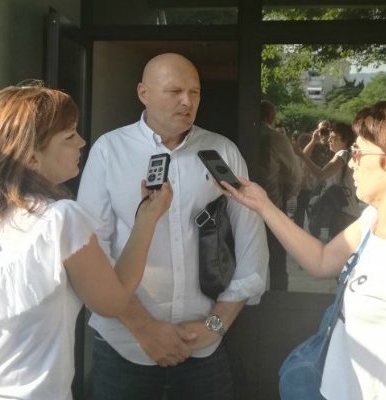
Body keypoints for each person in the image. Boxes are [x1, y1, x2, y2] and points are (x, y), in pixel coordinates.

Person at [222, 101, 386, 399]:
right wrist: (263, 205)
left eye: (359, 153)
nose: (351, 163)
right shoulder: (375, 219)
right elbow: (322, 260)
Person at [0, 83, 172, 399]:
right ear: (31, 157)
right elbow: (112, 302)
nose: (82, 142)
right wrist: (148, 219)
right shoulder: (60, 219)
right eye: (69, 136)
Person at [77, 53, 268, 400]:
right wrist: (144, 329)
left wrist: (215, 326)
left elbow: (251, 248)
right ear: (143, 93)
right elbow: (91, 252)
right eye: (174, 91)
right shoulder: (110, 150)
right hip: (124, 345)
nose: (187, 102)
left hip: (203, 345)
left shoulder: (222, 151)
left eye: (195, 92)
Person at [258, 100, 301, 290]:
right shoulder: (276, 138)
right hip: (272, 205)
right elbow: (295, 174)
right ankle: (279, 297)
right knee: (277, 261)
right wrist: (290, 195)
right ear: (271, 117)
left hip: (238, 208)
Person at [297, 121, 361, 238]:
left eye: (333, 137)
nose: (329, 140)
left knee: (337, 246)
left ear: (344, 140)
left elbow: (321, 175)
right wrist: (313, 141)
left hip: (344, 213)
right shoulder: (345, 153)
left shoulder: (342, 154)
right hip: (345, 211)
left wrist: (301, 155)